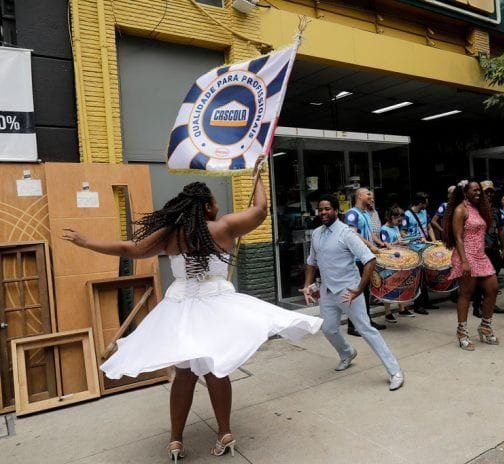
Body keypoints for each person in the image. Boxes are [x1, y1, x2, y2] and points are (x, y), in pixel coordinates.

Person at [61, 157, 323, 462]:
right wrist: (258, 177)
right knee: (217, 368)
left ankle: (175, 441)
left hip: (180, 307)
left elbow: (128, 249)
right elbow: (260, 211)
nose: (217, 206)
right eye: (214, 201)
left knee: (184, 374)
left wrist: (86, 241)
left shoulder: (170, 235)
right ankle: (224, 432)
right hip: (217, 303)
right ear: (207, 207)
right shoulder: (223, 227)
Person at [301, 194, 404, 391]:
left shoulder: (346, 233)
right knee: (329, 329)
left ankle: (395, 371)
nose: (323, 212)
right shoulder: (316, 234)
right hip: (327, 291)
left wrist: (359, 288)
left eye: (327, 209)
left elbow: (369, 259)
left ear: (336, 210)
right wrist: (308, 285)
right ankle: (347, 353)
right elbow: (311, 262)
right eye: (320, 209)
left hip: (349, 291)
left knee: (366, 330)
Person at [443, 180, 500, 351]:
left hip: (480, 255)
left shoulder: (478, 208)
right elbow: (458, 237)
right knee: (466, 294)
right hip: (465, 256)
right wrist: (464, 261)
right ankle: (462, 332)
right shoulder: (461, 209)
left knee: (493, 288)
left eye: (479, 190)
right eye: (474, 190)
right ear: (465, 191)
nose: (478, 192)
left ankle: (485, 326)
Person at [344, 188, 387, 335]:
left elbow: (369, 234)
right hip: (357, 259)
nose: (371, 197)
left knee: (366, 292)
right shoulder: (352, 214)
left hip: (366, 259)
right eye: (368, 194)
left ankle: (366, 321)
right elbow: (352, 234)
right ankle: (352, 326)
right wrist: (370, 246)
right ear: (359, 196)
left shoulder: (366, 214)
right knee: (356, 292)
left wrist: (380, 243)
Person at [470, 181, 504, 317]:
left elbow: (500, 229)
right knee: (479, 280)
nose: (490, 194)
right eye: (487, 192)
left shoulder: (495, 210)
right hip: (479, 250)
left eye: (491, 192)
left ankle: (491, 303)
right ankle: (477, 306)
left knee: (493, 278)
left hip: (492, 248)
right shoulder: (474, 209)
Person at [401, 192, 438, 314]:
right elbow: (403, 233)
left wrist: (433, 242)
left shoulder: (424, 213)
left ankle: (426, 302)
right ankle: (418, 305)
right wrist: (415, 238)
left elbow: (429, 227)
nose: (427, 204)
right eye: (425, 201)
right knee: (418, 277)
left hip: (425, 247)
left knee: (425, 275)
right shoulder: (407, 215)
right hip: (413, 249)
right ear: (420, 202)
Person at [379, 205, 412, 321]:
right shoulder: (384, 229)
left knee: (401, 284)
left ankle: (402, 308)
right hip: (389, 261)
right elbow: (386, 246)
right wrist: (398, 243)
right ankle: (387, 312)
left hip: (399, 260)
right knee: (388, 286)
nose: (400, 223)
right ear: (392, 217)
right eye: (398, 220)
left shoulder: (395, 227)